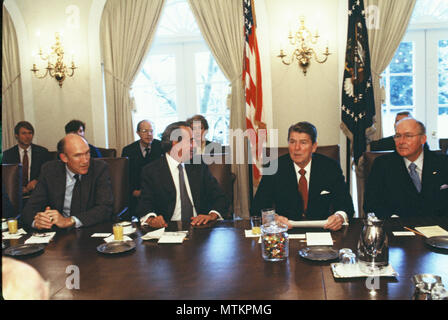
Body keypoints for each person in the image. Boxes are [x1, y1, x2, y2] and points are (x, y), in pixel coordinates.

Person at [250, 121, 354, 231]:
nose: (296, 148)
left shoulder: (330, 167)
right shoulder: (273, 168)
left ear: (314, 147)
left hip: (322, 233)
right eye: (292, 142)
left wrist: (339, 217)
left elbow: (346, 205)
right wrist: (273, 218)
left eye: (303, 142)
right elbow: (256, 208)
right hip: (285, 232)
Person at [136, 121, 229, 228]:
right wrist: (152, 219)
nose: (195, 145)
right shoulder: (151, 171)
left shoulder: (198, 165)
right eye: (191, 141)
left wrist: (212, 215)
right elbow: (145, 204)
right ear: (175, 143)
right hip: (167, 230)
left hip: (200, 228)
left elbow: (220, 197)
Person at [22, 133, 114, 230]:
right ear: (64, 158)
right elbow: (29, 209)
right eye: (78, 155)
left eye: (87, 153)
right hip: (57, 234)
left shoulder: (99, 168)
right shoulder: (49, 170)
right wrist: (38, 222)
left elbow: (105, 208)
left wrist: (70, 221)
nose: (85, 160)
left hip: (88, 230)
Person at [364, 118, 448, 218]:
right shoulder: (382, 165)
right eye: (398, 136)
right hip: (398, 228)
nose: (401, 141)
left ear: (423, 139)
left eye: (408, 136)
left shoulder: (443, 163)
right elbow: (371, 205)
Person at [121, 120, 162, 216]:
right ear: (138, 133)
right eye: (145, 131)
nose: (149, 134)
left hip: (158, 192)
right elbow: (125, 176)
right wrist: (133, 191)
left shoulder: (161, 147)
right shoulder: (128, 150)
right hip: (137, 192)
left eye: (151, 131)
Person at [2, 121, 51, 196]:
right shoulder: (7, 155)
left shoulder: (42, 153)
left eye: (30, 133)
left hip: (37, 193)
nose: (27, 136)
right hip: (15, 194)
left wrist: (37, 181)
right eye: (24, 133)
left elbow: (48, 173)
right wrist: (17, 187)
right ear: (16, 135)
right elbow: (5, 177)